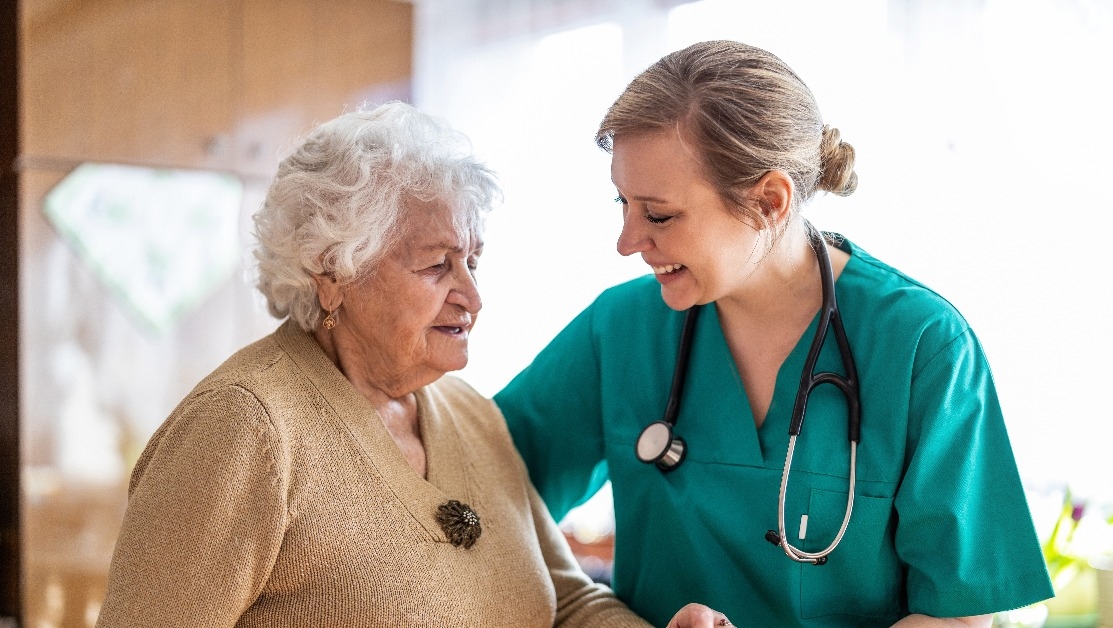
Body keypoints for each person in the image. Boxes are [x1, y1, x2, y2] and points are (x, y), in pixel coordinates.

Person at [96, 101, 724, 627]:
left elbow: (565, 603)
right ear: (334, 272)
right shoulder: (246, 427)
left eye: (472, 262)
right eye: (435, 265)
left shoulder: (469, 414)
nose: (472, 296)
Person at [496, 40, 1055, 626]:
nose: (627, 241)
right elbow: (480, 478)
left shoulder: (921, 346)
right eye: (623, 203)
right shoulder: (619, 331)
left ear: (768, 200)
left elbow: (957, 614)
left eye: (658, 214)